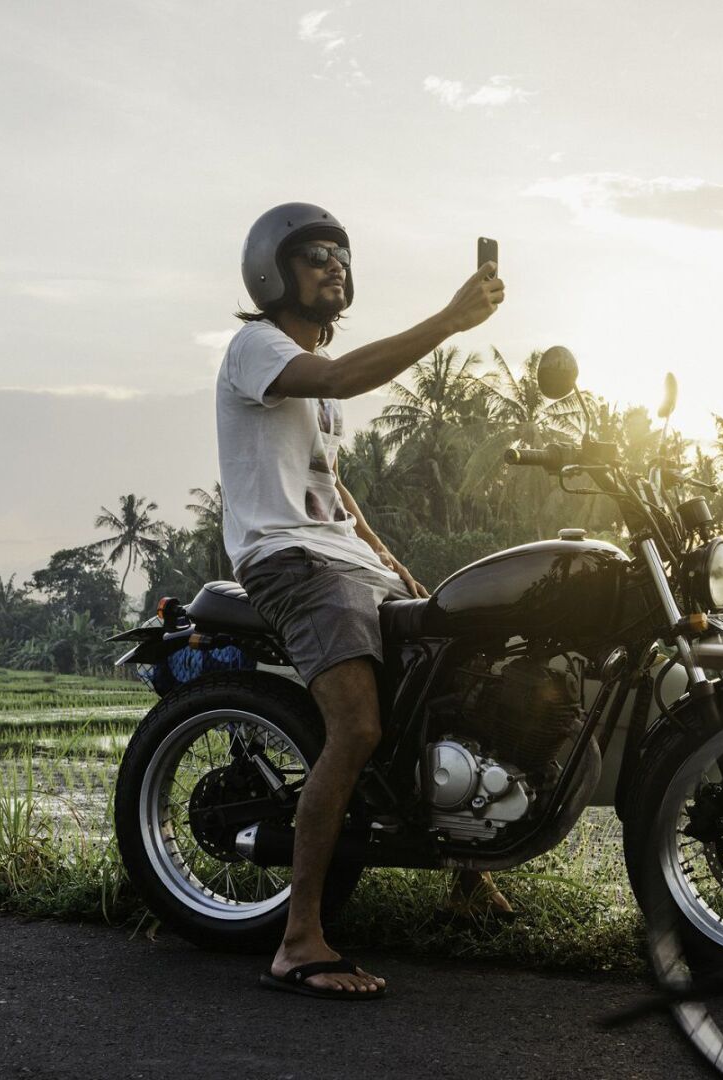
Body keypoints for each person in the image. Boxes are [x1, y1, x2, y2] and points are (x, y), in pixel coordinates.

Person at [218, 203, 506, 999]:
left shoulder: (319, 388)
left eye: (341, 255)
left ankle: (467, 873)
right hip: (287, 562)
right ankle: (299, 940)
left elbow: (331, 490)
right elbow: (342, 376)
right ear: (274, 272)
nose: (334, 266)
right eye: (315, 255)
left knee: (454, 679)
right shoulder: (257, 349)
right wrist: (450, 319)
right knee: (359, 725)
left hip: (341, 559)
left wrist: (398, 567)